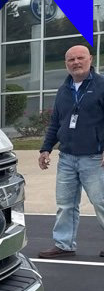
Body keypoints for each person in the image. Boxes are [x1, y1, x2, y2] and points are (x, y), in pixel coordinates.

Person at [37, 44, 104, 258]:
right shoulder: (64, 90)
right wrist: (45, 148)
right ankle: (64, 245)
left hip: (94, 158)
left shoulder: (102, 85)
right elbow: (56, 122)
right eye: (71, 59)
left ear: (90, 59)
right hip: (66, 158)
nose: (76, 62)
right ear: (66, 64)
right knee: (65, 205)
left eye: (80, 58)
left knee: (101, 202)